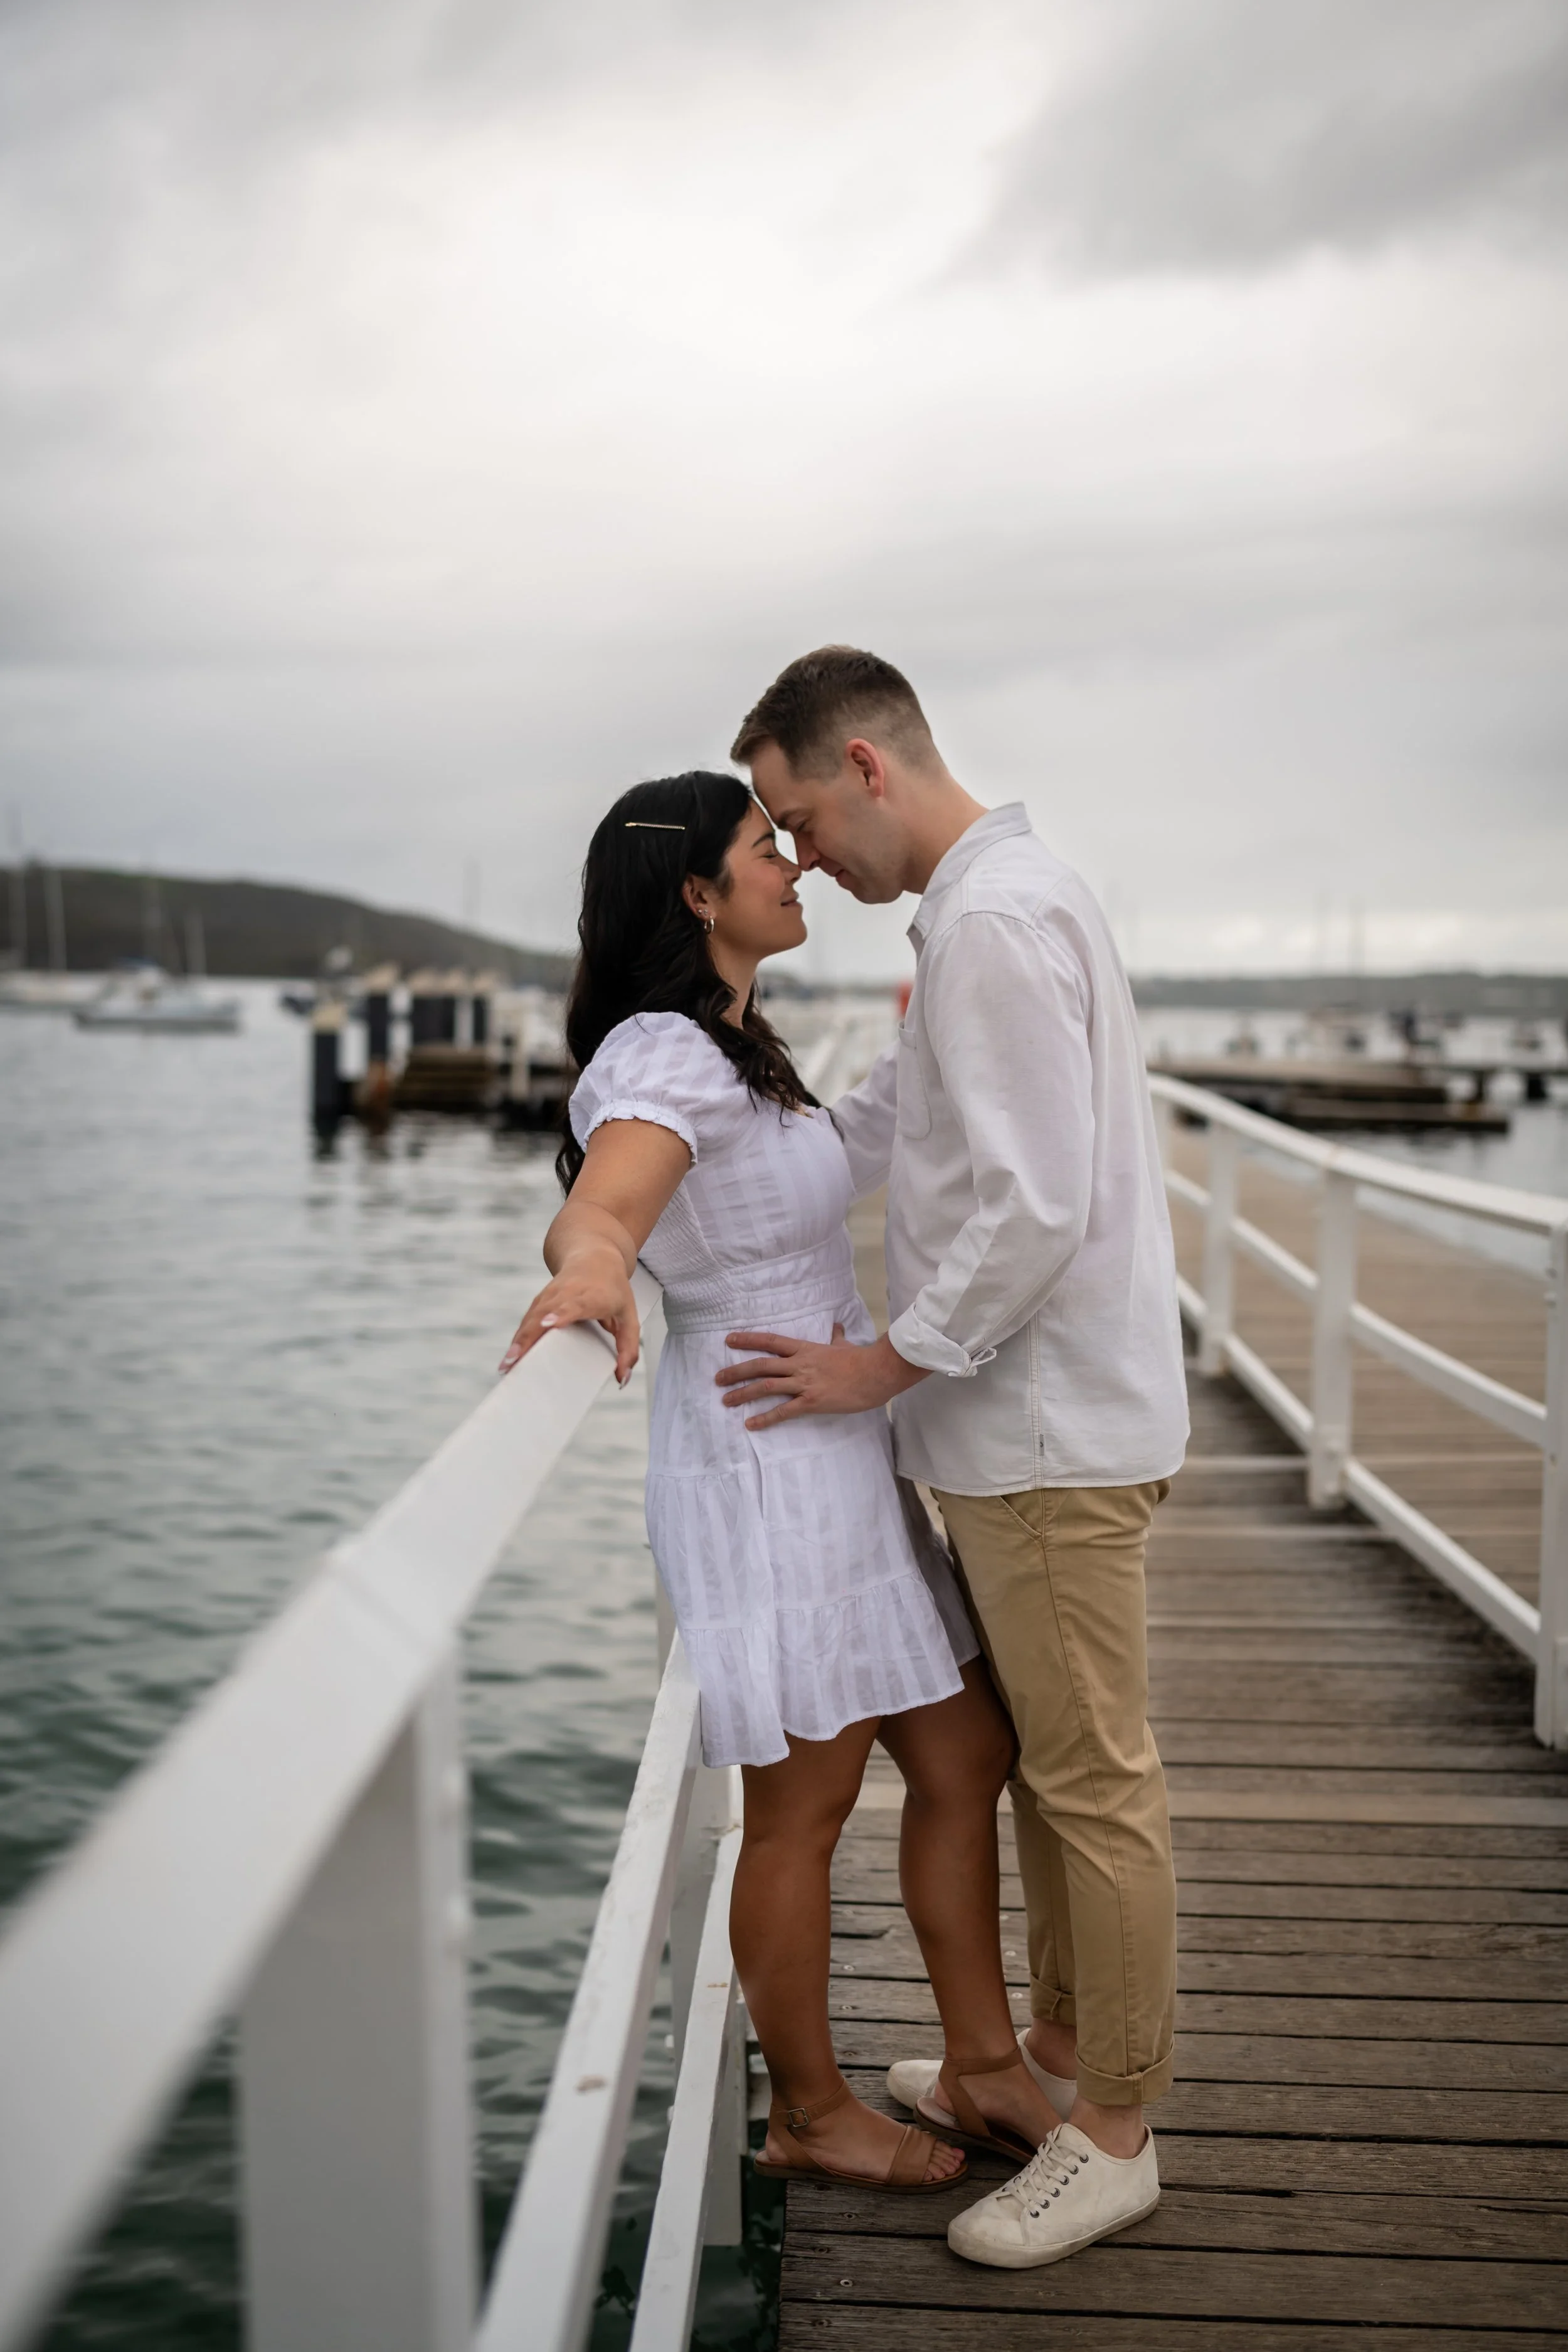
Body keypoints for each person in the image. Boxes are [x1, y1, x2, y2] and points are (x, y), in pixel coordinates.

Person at [500, 769, 1069, 2196]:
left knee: (963, 1753)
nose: (794, 868)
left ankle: (984, 2063)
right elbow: (607, 1200)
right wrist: (588, 1271)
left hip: (836, 1447)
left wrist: (954, 1023)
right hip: (763, 1455)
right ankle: (808, 2110)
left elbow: (849, 1147)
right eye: (768, 850)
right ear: (697, 893)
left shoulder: (738, 1047)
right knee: (800, 1813)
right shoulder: (664, 1054)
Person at [721, 648, 1189, 2268]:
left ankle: (1112, 2132)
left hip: (1042, 1430)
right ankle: (1058, 2058)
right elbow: (942, 1140)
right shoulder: (1003, 897)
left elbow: (1031, 1206)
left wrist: (879, 1357)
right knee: (1060, 1781)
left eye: (794, 815)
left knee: (1094, 1783)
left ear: (863, 763)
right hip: (1035, 1422)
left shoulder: (985, 919)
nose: (801, 858)